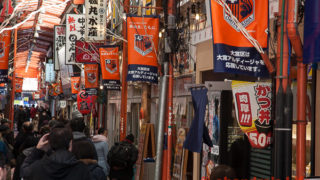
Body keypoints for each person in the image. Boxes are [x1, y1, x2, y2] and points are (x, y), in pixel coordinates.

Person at [20, 127, 91, 180]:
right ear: (70, 143)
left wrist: (38, 150)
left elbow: (24, 172)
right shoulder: (82, 169)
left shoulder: (38, 167)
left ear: (49, 144)